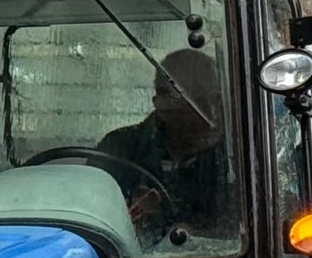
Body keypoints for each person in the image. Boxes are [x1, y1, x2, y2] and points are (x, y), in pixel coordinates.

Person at [96, 47, 230, 243]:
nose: (211, 111)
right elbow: (92, 221)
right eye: (198, 100)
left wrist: (200, 237)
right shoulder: (119, 150)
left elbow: (244, 231)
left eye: (215, 99)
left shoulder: (234, 158)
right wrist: (127, 217)